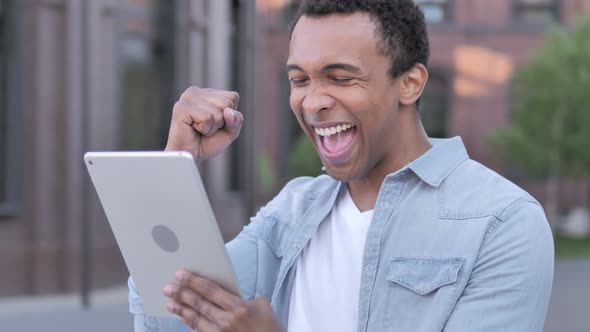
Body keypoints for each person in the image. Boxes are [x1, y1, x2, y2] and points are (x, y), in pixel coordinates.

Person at [129, 0, 554, 331]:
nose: (313, 102)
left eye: (341, 77)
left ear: (410, 83)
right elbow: (167, 314)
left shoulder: (502, 222)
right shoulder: (291, 210)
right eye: (299, 80)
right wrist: (176, 168)